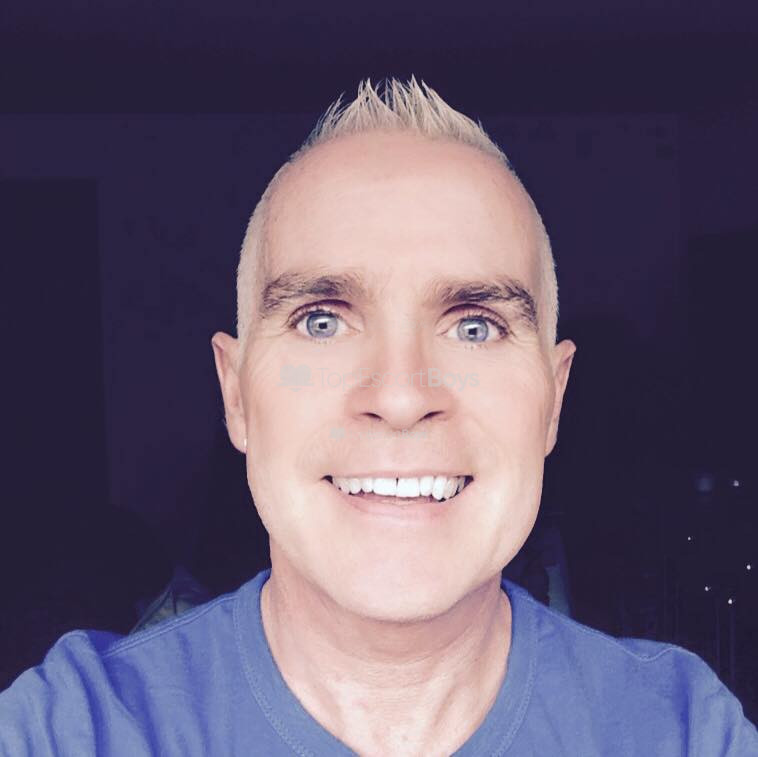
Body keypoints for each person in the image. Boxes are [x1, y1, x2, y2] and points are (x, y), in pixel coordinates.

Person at [1, 77, 756, 756]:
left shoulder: (679, 731)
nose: (400, 397)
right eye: (322, 320)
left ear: (552, 403)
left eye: (475, 326)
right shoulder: (74, 730)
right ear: (236, 396)